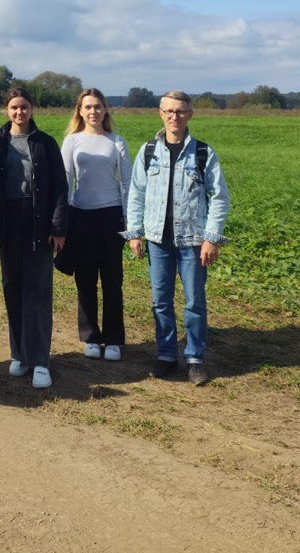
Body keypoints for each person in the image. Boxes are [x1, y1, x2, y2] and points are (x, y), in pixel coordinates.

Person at [126, 90, 231, 385]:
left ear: (190, 115)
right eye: (169, 111)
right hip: (158, 240)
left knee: (195, 302)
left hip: (192, 242)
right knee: (161, 301)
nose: (175, 117)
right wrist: (135, 234)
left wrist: (211, 238)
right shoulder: (148, 151)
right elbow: (136, 193)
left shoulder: (202, 153)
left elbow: (219, 197)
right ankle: (166, 354)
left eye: (181, 112)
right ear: (161, 113)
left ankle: (195, 358)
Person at [0, 87, 67, 389]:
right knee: (12, 289)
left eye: (24, 107)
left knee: (37, 292)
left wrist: (58, 228)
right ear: (7, 110)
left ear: (32, 109)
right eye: (13, 107)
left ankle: (40, 360)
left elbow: (60, 187)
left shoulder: (45, 143)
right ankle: (18, 354)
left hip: (38, 226)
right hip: (9, 225)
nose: (19, 112)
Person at [60, 87, 132, 361]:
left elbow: (127, 182)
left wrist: (129, 221)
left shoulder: (116, 142)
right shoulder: (72, 141)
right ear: (80, 111)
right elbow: (65, 182)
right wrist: (63, 220)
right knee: (85, 279)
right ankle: (90, 336)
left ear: (105, 110)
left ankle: (113, 338)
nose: (93, 111)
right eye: (88, 107)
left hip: (112, 216)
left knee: (113, 280)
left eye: (98, 106)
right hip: (81, 217)